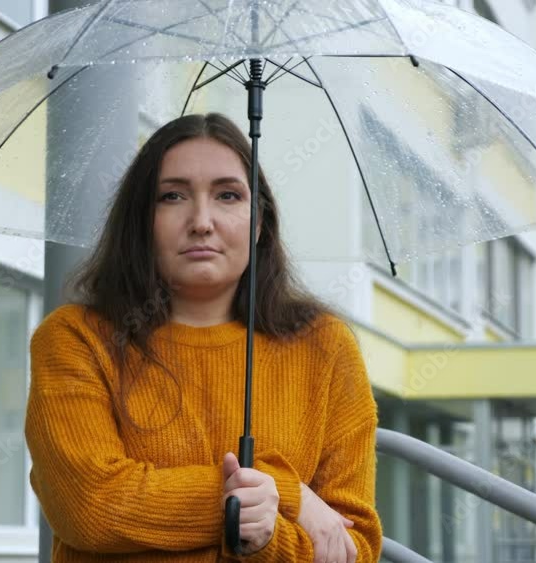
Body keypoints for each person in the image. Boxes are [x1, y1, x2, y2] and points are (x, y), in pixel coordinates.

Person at [25, 112, 382, 562]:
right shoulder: (76, 338)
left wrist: (265, 539)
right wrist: (288, 493)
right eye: (172, 196)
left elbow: (353, 547)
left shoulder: (324, 347)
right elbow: (91, 508)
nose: (201, 221)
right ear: (141, 220)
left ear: (258, 223)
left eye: (228, 195)